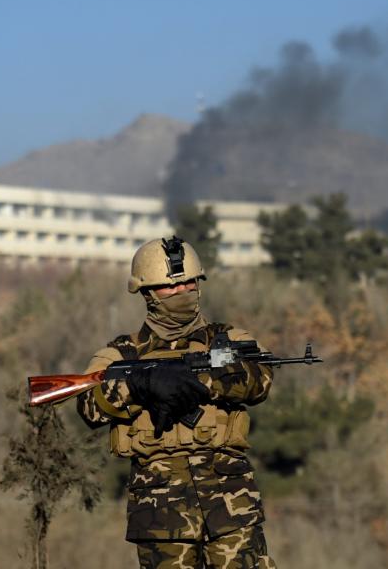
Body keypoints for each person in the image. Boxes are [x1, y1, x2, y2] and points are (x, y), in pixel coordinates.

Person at [77, 236, 277, 569]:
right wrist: (142, 385)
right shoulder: (121, 353)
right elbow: (88, 405)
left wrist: (201, 380)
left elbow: (260, 379)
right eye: (170, 287)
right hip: (161, 514)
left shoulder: (228, 340)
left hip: (232, 505)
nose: (182, 292)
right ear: (147, 293)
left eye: (189, 283)